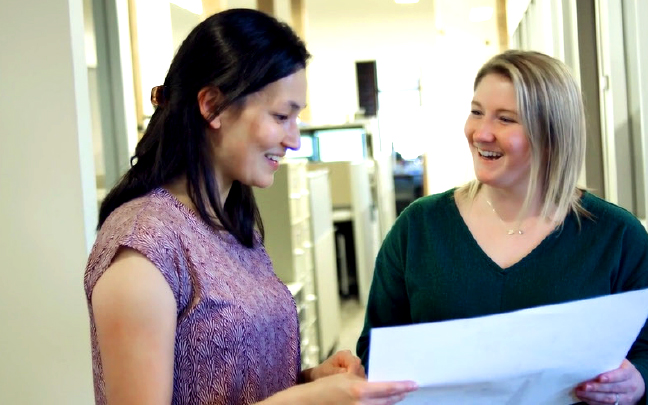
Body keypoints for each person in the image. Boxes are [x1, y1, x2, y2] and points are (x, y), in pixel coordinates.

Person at [83, 9, 417, 405]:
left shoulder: (231, 224)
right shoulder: (144, 250)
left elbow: (227, 382)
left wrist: (310, 379)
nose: (293, 139)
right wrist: (307, 401)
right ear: (212, 106)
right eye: (281, 116)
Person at [356, 50, 648, 405]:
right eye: (476, 112)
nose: (482, 133)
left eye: (506, 119)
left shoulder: (616, 235)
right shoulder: (418, 228)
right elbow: (375, 351)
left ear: (552, 134)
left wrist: (635, 383)